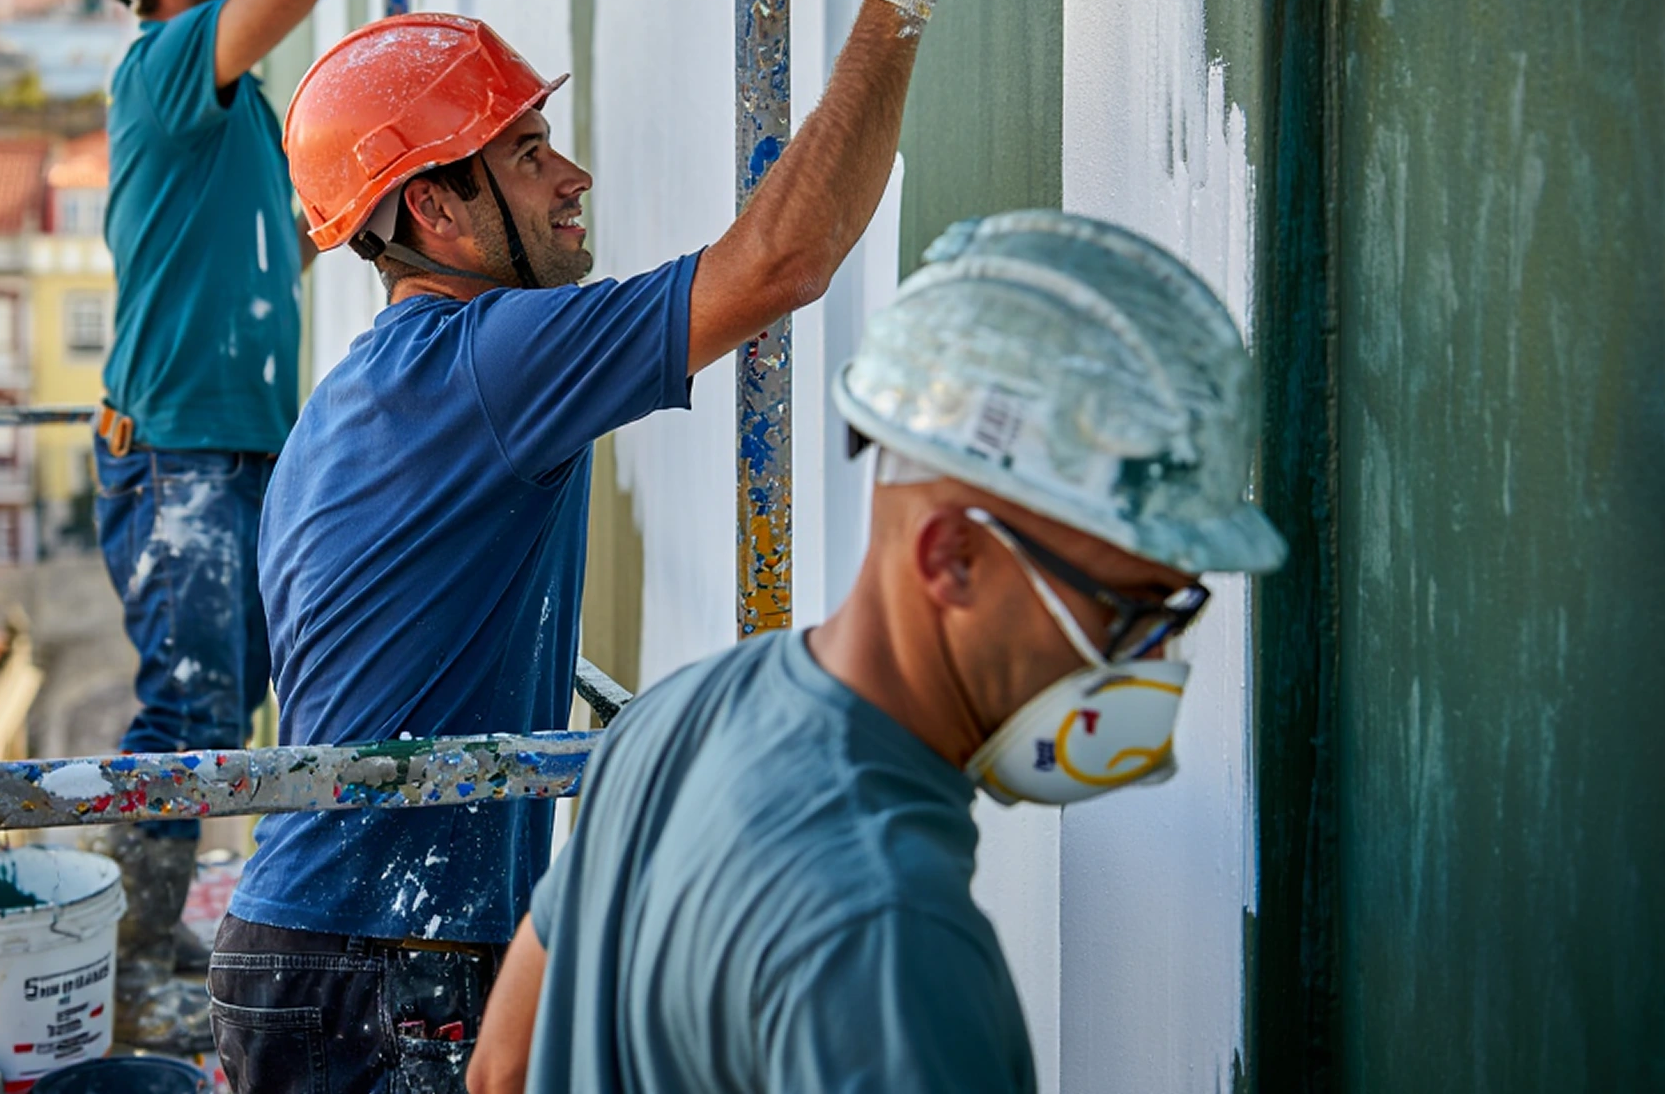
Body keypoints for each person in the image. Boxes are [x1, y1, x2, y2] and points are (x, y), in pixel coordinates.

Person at [207, 0, 1003, 1092]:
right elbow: (778, 266)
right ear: (433, 208)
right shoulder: (486, 361)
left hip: (331, 949)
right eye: (526, 152)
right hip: (381, 963)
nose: (572, 174)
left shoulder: (366, 387)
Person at [465, 209, 1291, 1093]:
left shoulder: (677, 717)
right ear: (953, 559)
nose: (1150, 665)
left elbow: (501, 1069)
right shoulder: (892, 946)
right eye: (1129, 611)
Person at [63, 0, 484, 1052]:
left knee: (236, 697)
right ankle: (137, 954)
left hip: (234, 438)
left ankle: (156, 937)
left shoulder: (235, 109)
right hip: (180, 444)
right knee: (193, 709)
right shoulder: (167, 65)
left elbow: (268, 247)